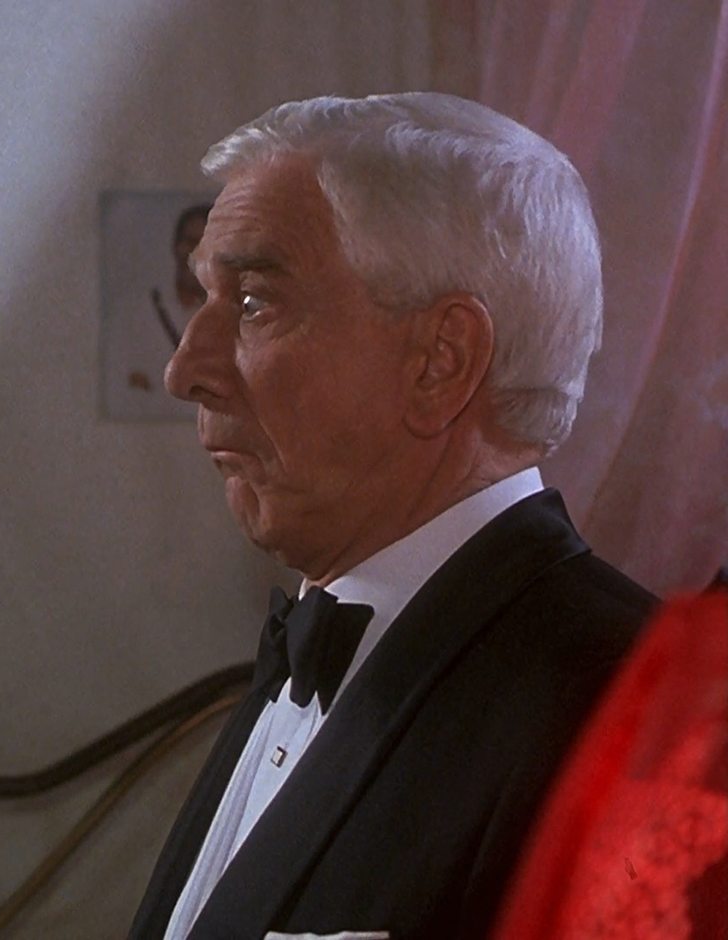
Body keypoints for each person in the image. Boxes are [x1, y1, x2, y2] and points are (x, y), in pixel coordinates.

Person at [127, 92, 657, 940]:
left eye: (255, 302)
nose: (185, 368)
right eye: (205, 299)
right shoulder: (316, 637)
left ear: (440, 362)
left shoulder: (628, 721)